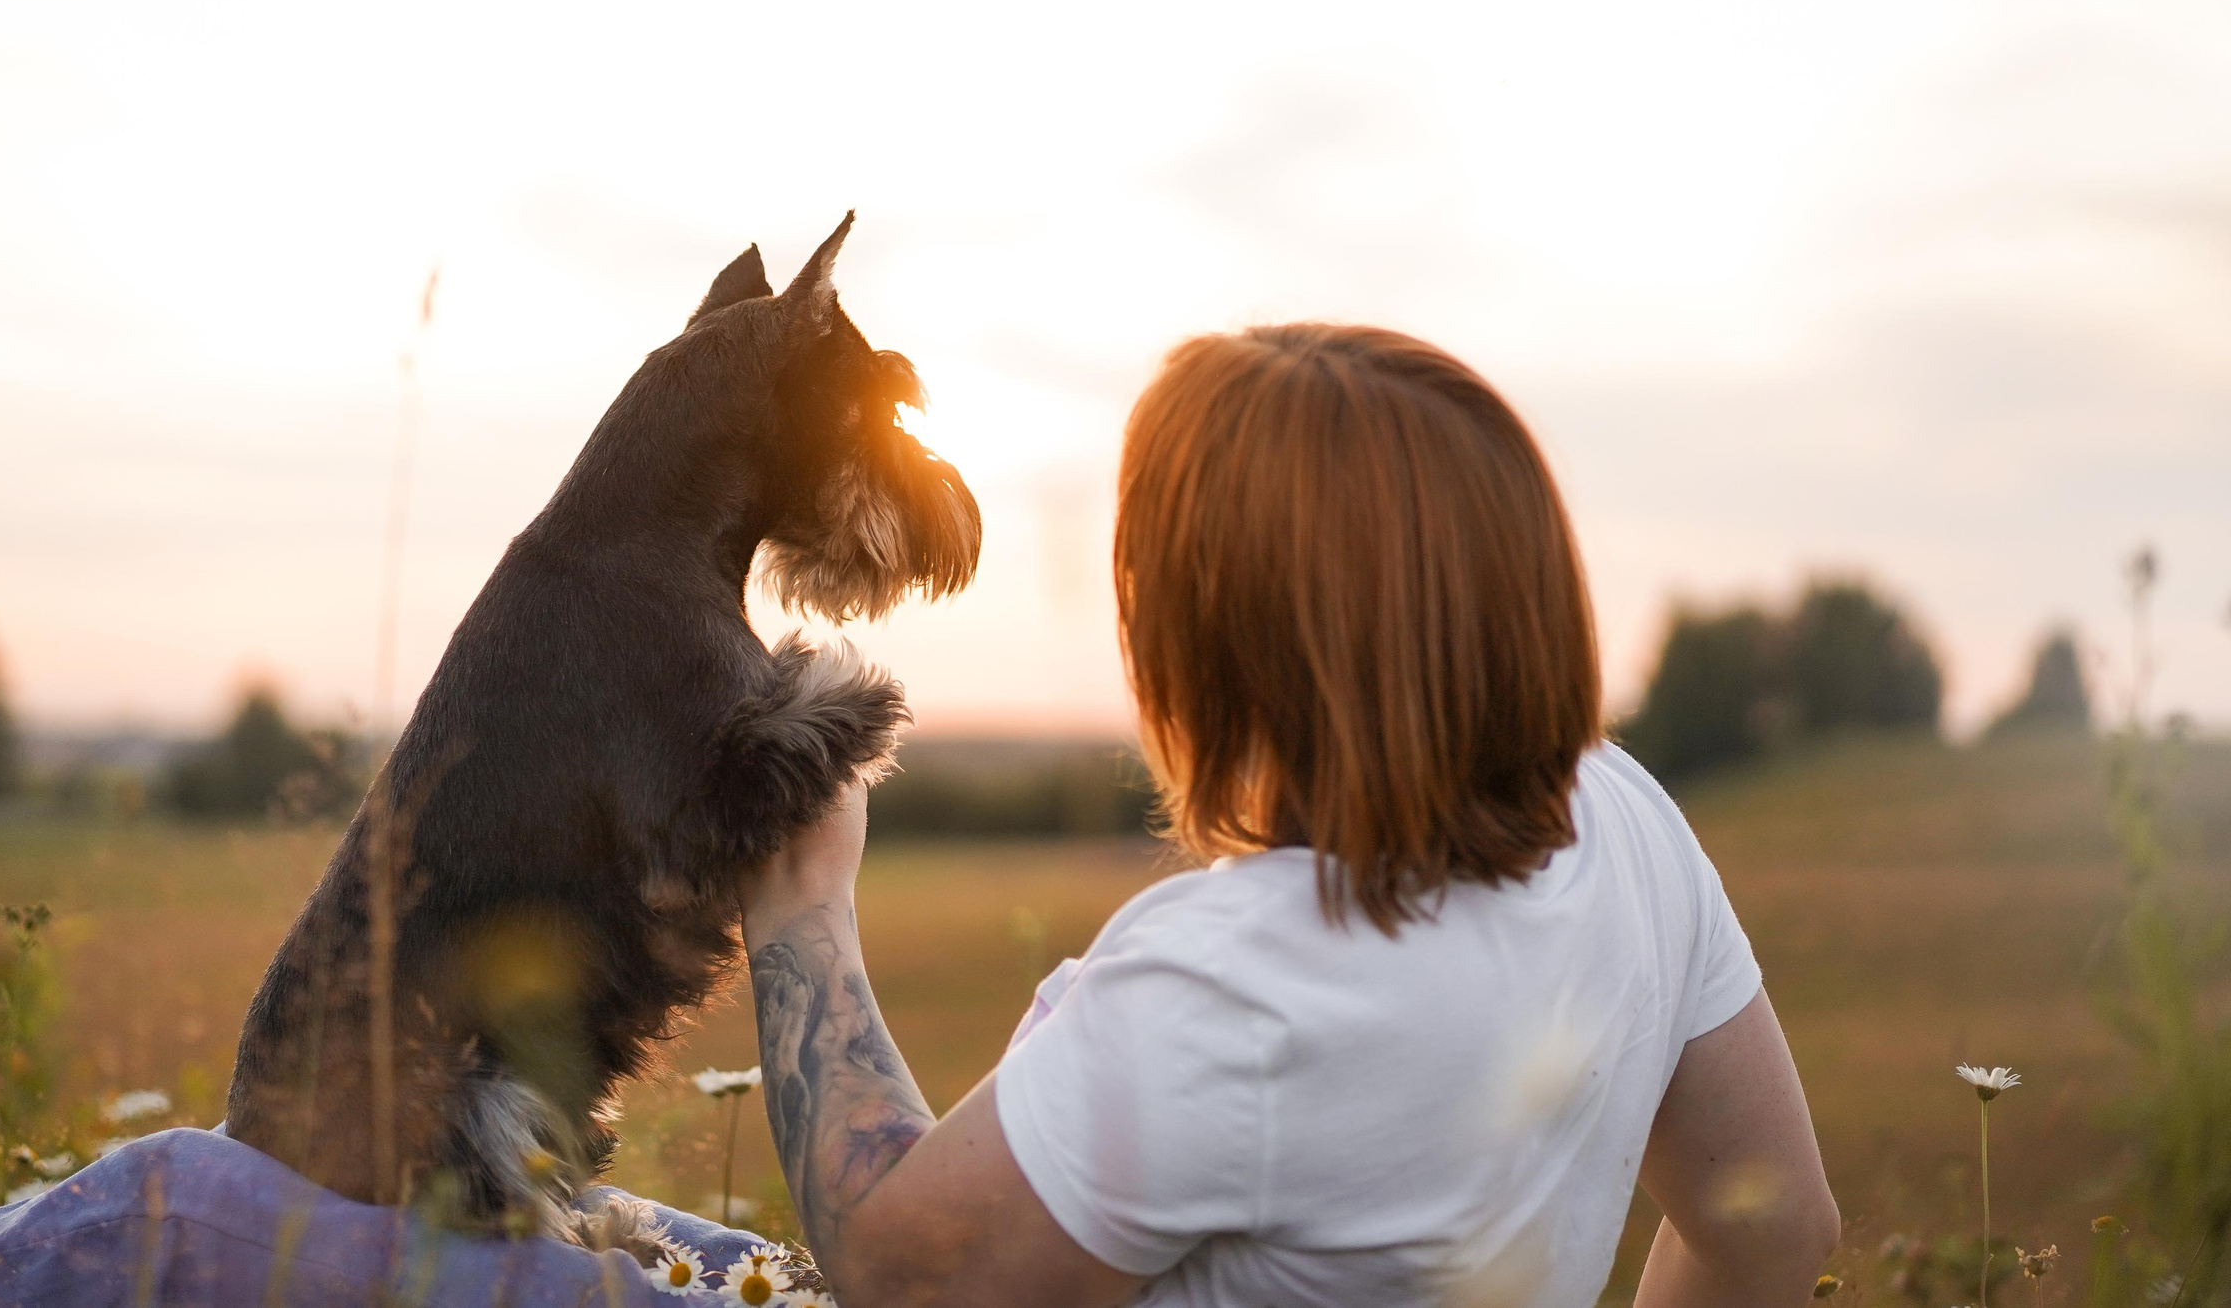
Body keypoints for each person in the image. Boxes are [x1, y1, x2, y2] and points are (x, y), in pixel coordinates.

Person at [738, 324, 1840, 1308]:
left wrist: (803, 896)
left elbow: (898, 1272)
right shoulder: (1622, 812)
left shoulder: (1238, 984)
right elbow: (1777, 1233)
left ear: (1212, 640)